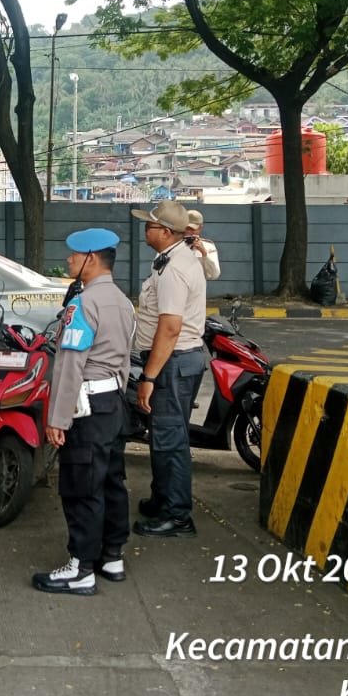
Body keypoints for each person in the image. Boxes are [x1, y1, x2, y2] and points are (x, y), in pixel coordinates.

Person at [31, 229, 136, 595]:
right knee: (111, 480)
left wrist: (57, 419)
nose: (69, 260)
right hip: (113, 403)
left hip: (86, 407)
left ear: (91, 258)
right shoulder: (123, 302)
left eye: (74, 256)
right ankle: (112, 556)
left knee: (81, 486)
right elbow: (125, 360)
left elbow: (70, 365)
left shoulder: (83, 305)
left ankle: (81, 568)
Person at [129, 201, 208, 538]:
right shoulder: (169, 259)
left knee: (170, 440)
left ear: (165, 232)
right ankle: (163, 499)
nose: (145, 230)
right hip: (173, 360)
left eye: (149, 226)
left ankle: (177, 516)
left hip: (172, 362)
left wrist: (149, 376)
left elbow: (171, 327)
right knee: (163, 435)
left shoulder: (175, 268)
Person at [185, 209, 221, 281]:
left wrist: (204, 253)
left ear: (200, 228)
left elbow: (214, 274)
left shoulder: (208, 246)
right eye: (187, 228)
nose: (189, 232)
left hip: (198, 286)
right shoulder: (174, 245)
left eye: (192, 229)